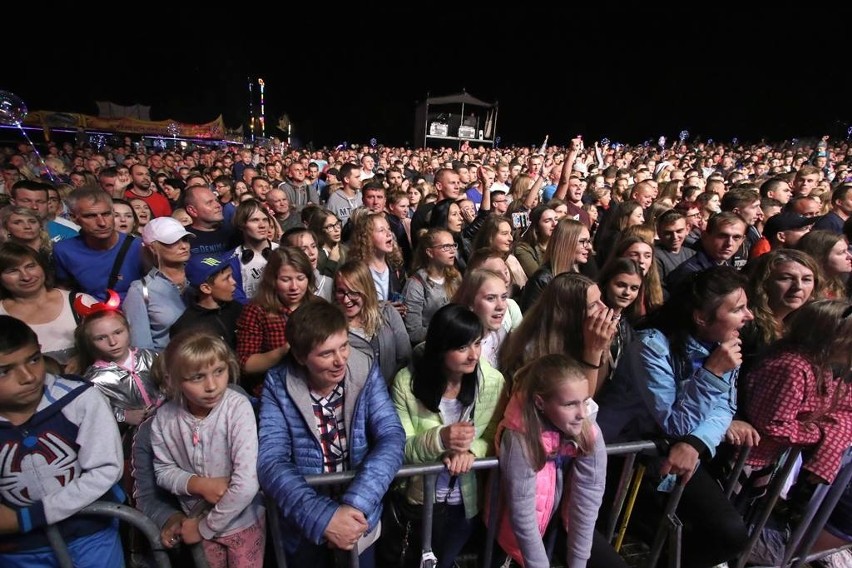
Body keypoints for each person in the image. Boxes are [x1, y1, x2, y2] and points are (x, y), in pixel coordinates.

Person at [596, 266, 752, 568]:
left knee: (729, 533)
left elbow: (725, 407)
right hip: (623, 456)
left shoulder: (723, 345)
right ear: (701, 317)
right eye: (738, 309)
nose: (750, 316)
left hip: (672, 453)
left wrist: (695, 442)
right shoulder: (651, 345)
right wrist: (712, 373)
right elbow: (673, 422)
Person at [258, 300, 405, 567]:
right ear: (301, 357)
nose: (340, 361)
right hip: (304, 527)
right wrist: (323, 518)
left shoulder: (364, 368)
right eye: (326, 354)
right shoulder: (278, 384)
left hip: (358, 521)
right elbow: (271, 460)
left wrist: (356, 505)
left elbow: (391, 436)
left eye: (344, 346)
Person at [0, 315, 125, 567]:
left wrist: (29, 517)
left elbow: (105, 469)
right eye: (4, 371)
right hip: (19, 549)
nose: (28, 377)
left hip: (90, 535)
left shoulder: (80, 399)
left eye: (34, 360)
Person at [390, 304, 506, 568]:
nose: (473, 354)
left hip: (464, 501)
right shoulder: (407, 384)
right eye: (462, 347)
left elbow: (494, 435)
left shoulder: (492, 382)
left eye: (477, 344)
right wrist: (441, 439)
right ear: (441, 348)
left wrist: (471, 451)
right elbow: (401, 448)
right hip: (419, 499)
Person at [490, 354, 627, 568]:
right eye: (570, 404)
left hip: (559, 521)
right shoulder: (519, 439)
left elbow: (589, 497)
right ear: (540, 402)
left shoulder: (587, 429)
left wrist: (579, 563)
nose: (582, 414)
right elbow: (523, 517)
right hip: (511, 536)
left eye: (585, 401)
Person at [150, 331, 266, 566]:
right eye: (197, 377)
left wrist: (204, 527)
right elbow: (162, 471)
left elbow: (246, 482)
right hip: (196, 525)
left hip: (242, 524)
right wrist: (198, 484)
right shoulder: (164, 418)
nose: (212, 385)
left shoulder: (237, 408)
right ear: (174, 379)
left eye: (219, 372)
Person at [744, 300, 852, 525]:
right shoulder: (792, 367)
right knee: (734, 521)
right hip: (746, 460)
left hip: (767, 461)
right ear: (828, 335)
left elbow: (837, 407)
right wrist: (818, 435)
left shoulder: (817, 365)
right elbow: (774, 424)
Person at [501, 272, 618, 395]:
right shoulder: (533, 352)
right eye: (593, 305)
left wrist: (603, 349)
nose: (604, 308)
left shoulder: (583, 336)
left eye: (601, 299)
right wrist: (593, 351)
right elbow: (584, 403)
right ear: (570, 315)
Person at [0, 242, 96, 371]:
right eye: (13, 271)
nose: (26, 276)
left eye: (30, 266)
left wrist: (85, 357)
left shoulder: (80, 301)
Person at [75, 299, 164, 426]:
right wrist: (123, 415)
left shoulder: (152, 356)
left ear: (128, 330)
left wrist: (163, 401)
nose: (112, 342)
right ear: (90, 342)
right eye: (101, 338)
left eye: (118, 332)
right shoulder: (93, 380)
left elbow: (172, 384)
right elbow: (93, 413)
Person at [235, 247, 314, 387]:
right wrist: (284, 351)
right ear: (273, 280)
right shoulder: (257, 311)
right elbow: (245, 364)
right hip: (274, 388)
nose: (294, 287)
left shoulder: (317, 305)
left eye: (300, 278)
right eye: (286, 280)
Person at [53, 186, 144, 302]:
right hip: (90, 314)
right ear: (74, 218)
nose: (102, 223)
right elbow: (64, 292)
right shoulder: (64, 250)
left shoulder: (138, 246)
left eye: (106, 214)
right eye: (90, 216)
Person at [740, 249, 821, 375]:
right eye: (786, 278)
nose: (798, 286)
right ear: (764, 283)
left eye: (806, 279)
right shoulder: (747, 325)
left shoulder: (806, 324)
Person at [333, 260, 411, 385]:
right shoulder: (332, 324)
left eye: (353, 292)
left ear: (366, 289)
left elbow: (405, 357)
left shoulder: (387, 314)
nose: (346, 300)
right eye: (341, 291)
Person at [123, 217, 192, 351]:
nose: (184, 246)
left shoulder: (200, 276)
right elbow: (141, 346)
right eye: (173, 242)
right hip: (168, 366)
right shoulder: (140, 290)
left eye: (185, 239)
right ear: (153, 247)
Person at [170, 253, 243, 350]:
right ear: (206, 288)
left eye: (231, 276)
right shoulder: (187, 328)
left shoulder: (238, 309)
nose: (233, 282)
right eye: (226, 278)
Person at [403, 228, 461, 345]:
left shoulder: (455, 277)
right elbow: (414, 332)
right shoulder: (415, 285)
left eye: (453, 246)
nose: (452, 251)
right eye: (445, 247)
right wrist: (447, 331)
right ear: (430, 252)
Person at [521, 219, 592, 312]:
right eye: (582, 241)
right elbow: (533, 322)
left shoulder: (583, 271)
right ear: (565, 243)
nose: (589, 247)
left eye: (589, 241)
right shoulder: (542, 280)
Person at [453, 268, 511, 368]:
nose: (501, 306)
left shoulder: (501, 334)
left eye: (504, 297)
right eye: (491, 298)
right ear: (470, 302)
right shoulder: (456, 347)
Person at [231, 199, 279, 301]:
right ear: (241, 224)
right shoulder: (232, 259)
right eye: (254, 220)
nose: (262, 225)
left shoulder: (283, 252)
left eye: (265, 220)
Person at [472, 214, 528, 291]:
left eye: (510, 233)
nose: (511, 238)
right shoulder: (481, 264)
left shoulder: (511, 260)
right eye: (505, 234)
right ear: (490, 237)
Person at [797, 230, 852, 299]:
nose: (850, 256)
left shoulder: (836, 283)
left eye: (847, 250)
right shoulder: (807, 293)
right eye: (841, 253)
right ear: (820, 257)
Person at [282, 227, 333, 301]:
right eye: (303, 249)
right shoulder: (285, 287)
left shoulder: (328, 283)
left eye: (313, 246)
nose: (312, 252)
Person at [308, 208, 347, 277]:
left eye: (337, 224)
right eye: (330, 226)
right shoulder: (315, 255)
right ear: (319, 230)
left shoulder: (346, 250)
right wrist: (332, 261)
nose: (336, 229)